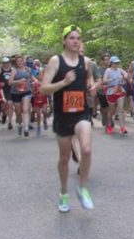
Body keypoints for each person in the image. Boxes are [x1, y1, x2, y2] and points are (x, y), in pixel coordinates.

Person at [41, 25, 97, 212]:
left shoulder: (86, 61)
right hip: (63, 115)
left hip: (81, 112)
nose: (75, 41)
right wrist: (64, 83)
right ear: (64, 41)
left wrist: (91, 86)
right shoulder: (55, 61)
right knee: (64, 158)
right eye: (72, 38)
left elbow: (89, 78)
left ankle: (82, 188)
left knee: (86, 149)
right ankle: (64, 193)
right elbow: (44, 88)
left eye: (78, 38)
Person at [7, 55, 35, 137]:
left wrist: (34, 83)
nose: (19, 63)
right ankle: (20, 124)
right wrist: (19, 81)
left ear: (23, 61)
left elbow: (31, 78)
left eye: (21, 61)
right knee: (18, 112)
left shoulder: (28, 69)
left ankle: (26, 128)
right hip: (16, 93)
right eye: (18, 61)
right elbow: (10, 82)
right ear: (16, 63)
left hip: (26, 92)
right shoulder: (14, 71)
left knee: (25, 110)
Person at [103, 56, 129, 135]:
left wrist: (124, 77)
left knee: (121, 110)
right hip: (111, 91)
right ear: (111, 63)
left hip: (119, 91)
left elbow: (127, 75)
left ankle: (122, 127)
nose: (116, 64)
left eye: (117, 63)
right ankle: (109, 125)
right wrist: (112, 79)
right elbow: (104, 81)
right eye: (115, 63)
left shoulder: (120, 70)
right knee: (112, 111)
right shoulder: (108, 70)